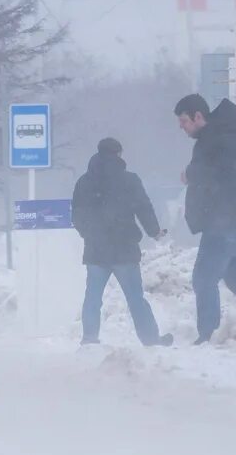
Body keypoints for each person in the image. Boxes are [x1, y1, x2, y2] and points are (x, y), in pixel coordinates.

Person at [174, 94, 236, 345]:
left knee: (203, 279)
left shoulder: (217, 139)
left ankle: (208, 335)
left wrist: (192, 173)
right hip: (231, 224)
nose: (181, 127)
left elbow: (226, 175)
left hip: (223, 225)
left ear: (198, 116)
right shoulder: (219, 138)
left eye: (184, 121)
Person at [71, 137, 174, 347]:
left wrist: (89, 235)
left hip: (96, 250)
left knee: (92, 298)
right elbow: (143, 207)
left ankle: (89, 339)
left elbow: (77, 216)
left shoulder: (84, 181)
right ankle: (151, 339)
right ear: (118, 154)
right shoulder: (129, 179)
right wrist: (154, 231)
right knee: (136, 298)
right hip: (124, 248)